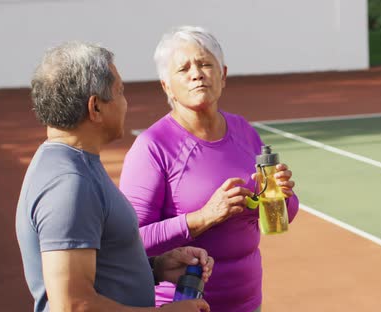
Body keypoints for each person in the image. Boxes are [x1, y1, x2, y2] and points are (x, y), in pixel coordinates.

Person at [15, 41, 214, 312]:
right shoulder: (69, 183)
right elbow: (73, 305)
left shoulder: (72, 164)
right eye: (120, 92)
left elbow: (99, 266)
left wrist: (155, 267)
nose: (125, 102)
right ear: (95, 107)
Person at [119, 26, 299, 312]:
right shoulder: (152, 146)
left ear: (223, 75)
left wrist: (283, 195)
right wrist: (203, 217)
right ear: (167, 85)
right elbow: (128, 240)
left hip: (248, 303)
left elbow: (282, 215)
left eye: (205, 64)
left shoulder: (243, 131)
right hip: (181, 305)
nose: (197, 74)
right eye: (184, 68)